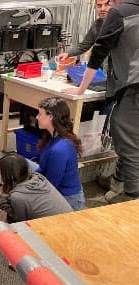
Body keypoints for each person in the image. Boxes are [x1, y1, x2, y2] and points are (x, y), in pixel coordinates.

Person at [63, 0, 139, 202]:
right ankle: (118, 186)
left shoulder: (120, 13)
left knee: (128, 145)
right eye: (99, 4)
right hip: (125, 86)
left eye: (108, 3)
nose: (104, 7)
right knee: (129, 140)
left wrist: (80, 89)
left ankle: (131, 202)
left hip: (132, 87)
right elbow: (88, 46)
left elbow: (98, 53)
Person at [0, 153, 72, 223]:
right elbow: (25, 203)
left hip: (55, 228)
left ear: (9, 176)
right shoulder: (37, 178)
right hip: (70, 219)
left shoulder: (18, 197)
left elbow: (19, 220)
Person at [33, 97, 85, 211]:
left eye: (40, 114)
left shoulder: (60, 149)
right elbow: (43, 168)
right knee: (24, 165)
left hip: (67, 199)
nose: (37, 117)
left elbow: (51, 186)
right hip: (58, 189)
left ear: (50, 117)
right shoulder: (53, 136)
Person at [56, 0, 112, 65]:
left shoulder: (122, 24)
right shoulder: (97, 25)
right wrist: (68, 53)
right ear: (95, 7)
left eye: (106, 5)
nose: (102, 9)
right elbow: (84, 45)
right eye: (99, 6)